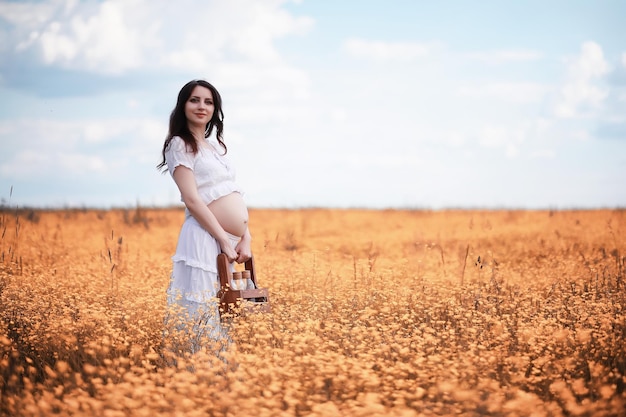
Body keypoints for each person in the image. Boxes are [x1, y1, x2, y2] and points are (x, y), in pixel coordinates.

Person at [157, 79, 252, 356]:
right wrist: (223, 239)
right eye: (194, 100)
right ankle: (198, 372)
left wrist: (246, 237)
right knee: (202, 308)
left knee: (225, 310)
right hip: (204, 236)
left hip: (229, 240)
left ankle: (221, 375)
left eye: (208, 102)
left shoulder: (214, 147)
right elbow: (192, 199)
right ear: (183, 105)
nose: (202, 106)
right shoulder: (179, 144)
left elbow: (231, 193)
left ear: (215, 109)